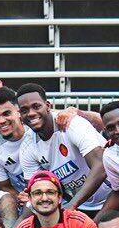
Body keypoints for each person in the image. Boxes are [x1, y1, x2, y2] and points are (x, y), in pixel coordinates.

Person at [16, 83, 109, 214]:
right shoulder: (27, 147)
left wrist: (72, 205)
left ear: (48, 106)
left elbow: (101, 166)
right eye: (24, 110)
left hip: (115, 196)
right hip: (81, 207)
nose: (31, 113)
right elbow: (36, 188)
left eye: (36, 106)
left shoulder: (71, 123)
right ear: (20, 114)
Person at [0, 86, 34, 195]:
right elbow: (4, 186)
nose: (2, 121)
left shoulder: (35, 127)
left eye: (6, 114)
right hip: (21, 196)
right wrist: (24, 200)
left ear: (18, 111)